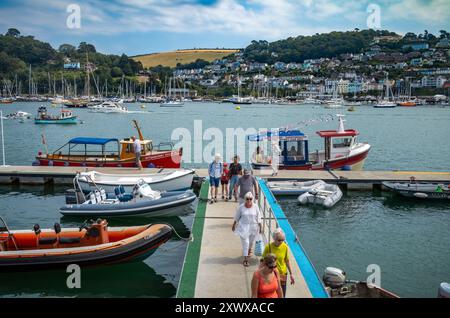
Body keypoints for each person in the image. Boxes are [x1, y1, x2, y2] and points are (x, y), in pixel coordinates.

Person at [262, 228, 295, 297]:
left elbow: (287, 260)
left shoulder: (285, 247)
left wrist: (291, 274)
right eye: (279, 240)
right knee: (272, 293)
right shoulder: (269, 247)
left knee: (282, 293)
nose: (281, 242)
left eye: (283, 240)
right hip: (272, 273)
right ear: (274, 238)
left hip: (283, 274)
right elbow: (263, 261)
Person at [232, 192, 262, 267]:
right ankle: (246, 259)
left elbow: (258, 217)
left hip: (253, 227)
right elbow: (237, 216)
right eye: (247, 199)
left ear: (252, 199)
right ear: (245, 199)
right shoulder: (241, 207)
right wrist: (234, 225)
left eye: (250, 199)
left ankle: (248, 251)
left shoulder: (255, 206)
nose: (249, 200)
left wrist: (260, 226)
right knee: (246, 243)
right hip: (243, 227)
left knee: (250, 243)